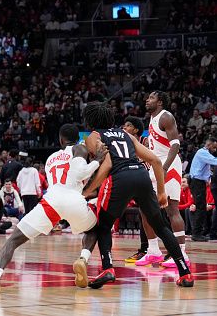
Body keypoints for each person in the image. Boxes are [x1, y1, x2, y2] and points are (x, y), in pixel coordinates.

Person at [0, 124, 105, 293]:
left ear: (60, 139)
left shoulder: (51, 158)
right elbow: (80, 173)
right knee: (94, 229)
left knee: (13, 241)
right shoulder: (79, 148)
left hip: (51, 202)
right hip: (73, 199)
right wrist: (97, 161)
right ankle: (82, 258)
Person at [81, 102, 194, 288]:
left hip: (120, 178)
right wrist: (162, 192)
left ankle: (108, 268)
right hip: (141, 175)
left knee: (103, 225)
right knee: (161, 227)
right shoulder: (125, 134)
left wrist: (88, 191)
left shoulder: (93, 136)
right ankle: (185, 273)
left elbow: (107, 164)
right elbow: (156, 161)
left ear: (89, 120)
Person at [133, 91, 188, 268]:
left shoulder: (166, 117)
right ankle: (154, 251)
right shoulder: (152, 118)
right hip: (156, 165)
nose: (147, 100)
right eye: (147, 97)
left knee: (172, 209)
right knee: (145, 208)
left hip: (168, 166)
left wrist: (163, 168)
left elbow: (176, 145)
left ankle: (182, 254)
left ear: (160, 102)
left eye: (151, 98)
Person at [121, 116, 152, 262]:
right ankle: (145, 250)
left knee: (158, 217)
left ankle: (150, 250)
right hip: (138, 181)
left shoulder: (145, 141)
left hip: (151, 180)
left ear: (136, 130)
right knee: (143, 216)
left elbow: (153, 161)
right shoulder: (126, 144)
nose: (124, 127)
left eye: (128, 125)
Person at [188, 136, 217, 241]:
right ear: (209, 145)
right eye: (214, 147)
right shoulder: (202, 153)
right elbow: (215, 161)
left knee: (201, 207)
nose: (215, 150)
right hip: (197, 182)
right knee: (201, 208)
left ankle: (198, 233)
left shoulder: (204, 153)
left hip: (198, 182)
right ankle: (196, 234)